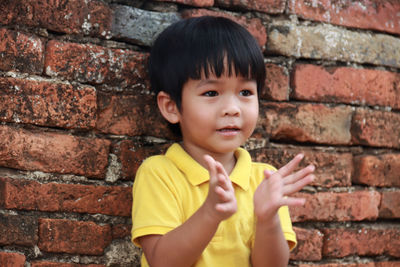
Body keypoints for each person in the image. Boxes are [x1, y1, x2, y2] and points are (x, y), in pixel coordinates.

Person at [131, 16, 315, 267]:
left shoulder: (264, 180)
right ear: (171, 106)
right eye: (211, 93)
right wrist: (210, 213)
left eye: (245, 92)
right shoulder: (160, 174)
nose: (232, 108)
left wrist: (267, 219)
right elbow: (162, 262)